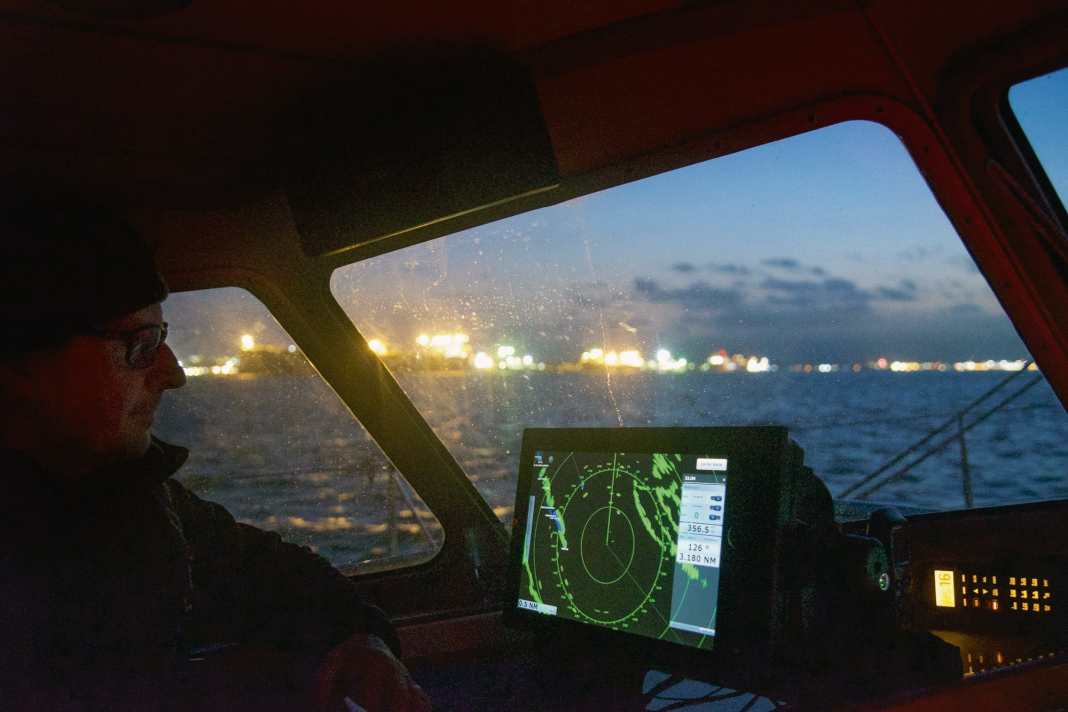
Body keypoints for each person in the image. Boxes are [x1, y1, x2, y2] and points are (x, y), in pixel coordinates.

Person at [0, 197, 431, 712]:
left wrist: (361, 638)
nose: (174, 373)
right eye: (140, 345)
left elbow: (277, 577)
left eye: (163, 338)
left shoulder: (128, 497)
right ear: (19, 361)